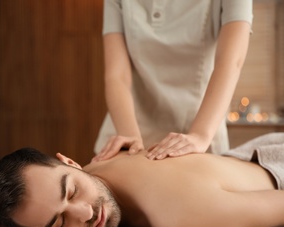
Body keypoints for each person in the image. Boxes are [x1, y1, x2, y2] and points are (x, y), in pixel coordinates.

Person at [0, 133, 284, 227]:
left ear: (72, 163)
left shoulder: (181, 216)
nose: (86, 212)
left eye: (72, 191)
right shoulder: (99, 164)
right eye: (60, 222)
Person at [93, 1, 253, 162]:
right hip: (126, 130)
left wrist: (199, 136)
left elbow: (231, 62)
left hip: (198, 136)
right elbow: (117, 75)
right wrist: (130, 140)